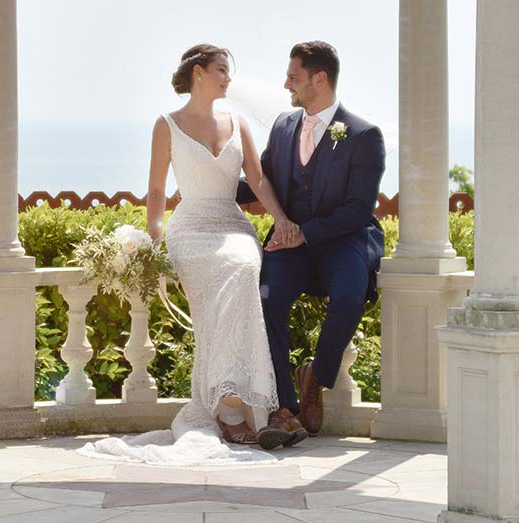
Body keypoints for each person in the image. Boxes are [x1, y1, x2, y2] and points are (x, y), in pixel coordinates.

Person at [78, 44, 306, 465]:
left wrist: (284, 220)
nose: (228, 79)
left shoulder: (236, 121)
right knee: (224, 293)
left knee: (241, 268)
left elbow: (256, 178)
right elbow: (158, 189)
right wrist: (152, 240)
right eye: (221, 70)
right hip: (191, 230)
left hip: (233, 226)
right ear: (198, 73)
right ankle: (233, 408)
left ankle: (236, 406)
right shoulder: (167, 124)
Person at [237, 41, 386, 445]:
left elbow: (358, 209)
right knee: (267, 299)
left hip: (342, 239)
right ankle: (285, 407)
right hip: (290, 243)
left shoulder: (363, 135)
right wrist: (211, 186)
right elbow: (261, 180)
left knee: (350, 296)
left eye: (293, 77)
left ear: (319, 79)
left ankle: (316, 378)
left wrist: (304, 232)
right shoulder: (284, 126)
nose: (287, 84)